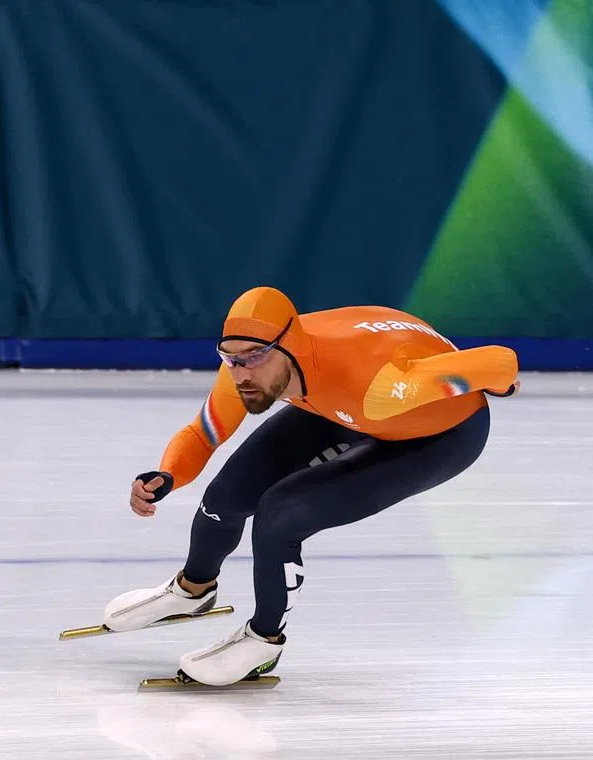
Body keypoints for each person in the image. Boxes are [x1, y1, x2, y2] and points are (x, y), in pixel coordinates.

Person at [102, 286, 520, 685]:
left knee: (280, 515)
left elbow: (500, 361)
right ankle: (192, 591)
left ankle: (262, 641)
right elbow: (203, 433)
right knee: (226, 497)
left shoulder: (385, 384)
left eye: (253, 359)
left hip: (436, 435)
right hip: (337, 406)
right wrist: (169, 473)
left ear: (291, 349)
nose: (241, 373)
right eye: (230, 358)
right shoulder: (248, 363)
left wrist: (500, 385)